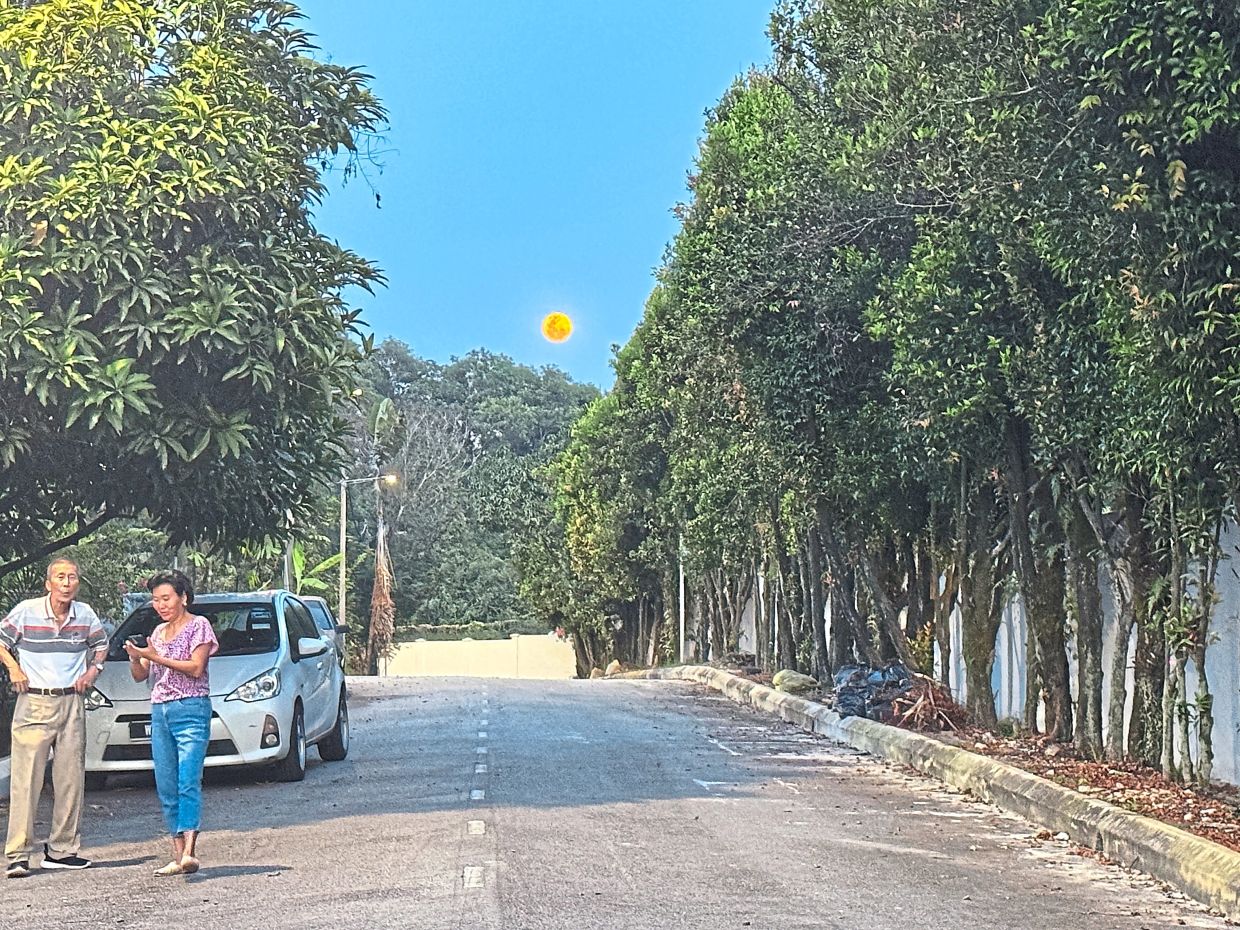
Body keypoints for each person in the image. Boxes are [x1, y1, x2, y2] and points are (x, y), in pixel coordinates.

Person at [0, 557, 108, 878]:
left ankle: (61, 851)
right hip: (34, 702)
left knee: (70, 780)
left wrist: (93, 671)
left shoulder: (85, 614)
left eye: (72, 577)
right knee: (26, 780)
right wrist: (13, 667)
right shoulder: (27, 611)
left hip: (71, 702)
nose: (66, 582)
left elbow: (101, 646)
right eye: (60, 577)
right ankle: (18, 854)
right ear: (48, 583)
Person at [123, 570, 218, 876]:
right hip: (160, 710)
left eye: (166, 598)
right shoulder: (158, 632)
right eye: (156, 599)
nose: (161, 605)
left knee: (188, 779)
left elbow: (195, 668)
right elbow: (141, 675)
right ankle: (178, 856)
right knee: (166, 784)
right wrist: (136, 657)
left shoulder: (198, 626)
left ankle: (190, 850)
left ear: (183, 598)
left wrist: (155, 656)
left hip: (191, 707)